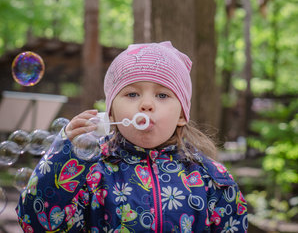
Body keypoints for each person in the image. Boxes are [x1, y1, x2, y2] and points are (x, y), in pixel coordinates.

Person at [17, 41, 248, 232]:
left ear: (181, 115)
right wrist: (63, 154)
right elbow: (35, 223)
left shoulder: (211, 178)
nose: (146, 104)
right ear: (111, 112)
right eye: (132, 93)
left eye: (162, 95)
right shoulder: (89, 171)